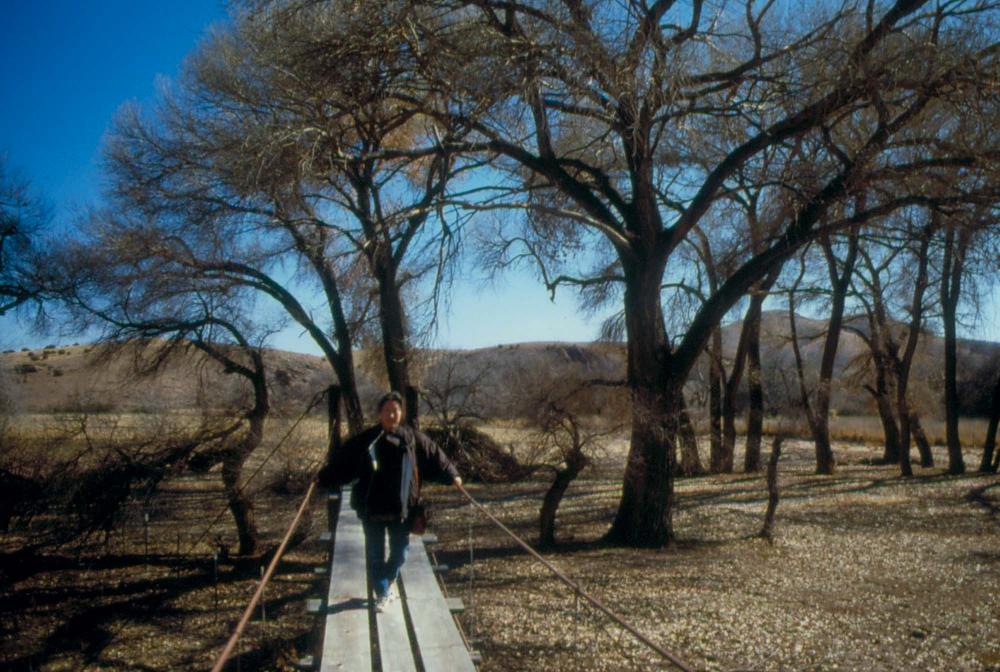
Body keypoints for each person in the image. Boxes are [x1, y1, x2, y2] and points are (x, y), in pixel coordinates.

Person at [317, 391, 463, 611]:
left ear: (401, 413)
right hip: (371, 508)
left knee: (400, 553)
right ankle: (383, 591)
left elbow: (436, 456)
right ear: (379, 414)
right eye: (387, 411)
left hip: (402, 510)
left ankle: (384, 581)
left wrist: (453, 475)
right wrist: (322, 477)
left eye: (395, 410)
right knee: (375, 555)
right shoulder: (366, 440)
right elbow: (343, 462)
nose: (391, 415)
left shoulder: (413, 439)